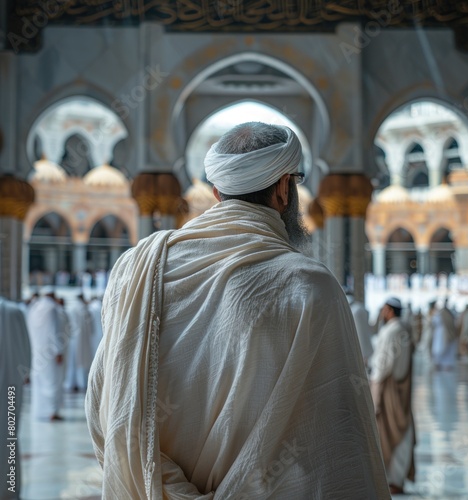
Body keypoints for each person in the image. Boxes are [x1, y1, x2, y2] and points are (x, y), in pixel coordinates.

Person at [86, 122, 390, 499]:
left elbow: (107, 409)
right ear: (283, 189)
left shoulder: (136, 269)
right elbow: (335, 446)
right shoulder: (309, 286)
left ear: (216, 192)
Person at [370, 297, 415, 495]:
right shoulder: (402, 328)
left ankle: (393, 479)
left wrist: (374, 389)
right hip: (400, 388)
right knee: (400, 431)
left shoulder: (392, 330)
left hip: (388, 388)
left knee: (390, 433)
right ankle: (395, 479)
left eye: (383, 309)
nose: (381, 312)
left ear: (389, 310)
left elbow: (383, 364)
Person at [1, 297, 31, 499]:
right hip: (11, 388)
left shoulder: (12, 311)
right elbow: (26, 353)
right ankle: (9, 489)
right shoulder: (14, 311)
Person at [26, 288, 65, 421]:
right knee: (53, 380)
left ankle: (40, 411)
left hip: (37, 351)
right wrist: (59, 352)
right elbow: (55, 331)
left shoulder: (34, 307)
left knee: (39, 381)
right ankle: (52, 411)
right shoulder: (53, 308)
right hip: (51, 353)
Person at [65, 294, 93, 391]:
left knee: (72, 361)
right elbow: (90, 328)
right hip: (83, 340)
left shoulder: (70, 309)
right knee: (83, 362)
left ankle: (70, 383)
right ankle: (82, 383)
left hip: (71, 339)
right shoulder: (85, 310)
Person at [345, 289, 373, 366]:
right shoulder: (360, 308)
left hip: (358, 351)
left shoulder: (351, 310)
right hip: (367, 349)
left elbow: (358, 334)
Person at [430, 300, 458, 370]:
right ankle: (439, 364)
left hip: (444, 334)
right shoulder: (446, 313)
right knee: (440, 349)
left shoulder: (442, 314)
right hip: (442, 334)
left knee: (442, 349)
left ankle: (442, 364)